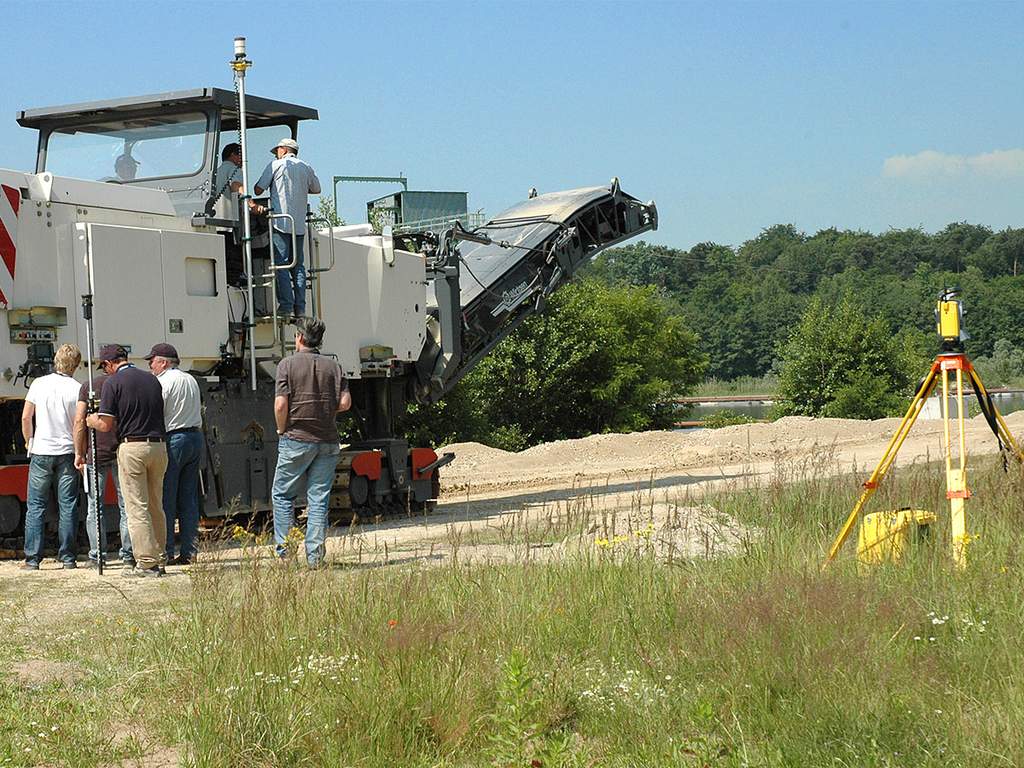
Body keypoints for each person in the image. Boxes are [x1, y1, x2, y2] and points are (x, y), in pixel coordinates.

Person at [271, 318, 351, 567]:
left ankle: (286, 555)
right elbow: (346, 403)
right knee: (318, 498)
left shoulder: (287, 365)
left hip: (296, 437)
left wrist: (281, 427)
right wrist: (326, 412)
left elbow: (281, 404)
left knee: (283, 495)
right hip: (327, 440)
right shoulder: (335, 366)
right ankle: (315, 557)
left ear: (299, 337)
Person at [87, 345, 168, 578]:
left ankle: (146, 563)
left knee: (136, 508)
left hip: (132, 447)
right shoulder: (152, 380)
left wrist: (91, 420)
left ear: (109, 364)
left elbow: (105, 424)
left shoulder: (113, 383)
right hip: (159, 446)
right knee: (156, 506)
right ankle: (160, 557)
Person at [21, 344, 83, 570]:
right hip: (67, 452)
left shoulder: (38, 384)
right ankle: (68, 558)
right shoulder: (78, 388)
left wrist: (30, 442)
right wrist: (80, 450)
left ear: (56, 360)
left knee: (36, 505)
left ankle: (32, 560)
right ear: (75, 365)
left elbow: (27, 417)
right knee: (67, 505)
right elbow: (80, 423)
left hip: (41, 452)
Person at [145, 343, 203, 565]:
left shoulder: (162, 382)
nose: (150, 365)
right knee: (189, 498)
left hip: (174, 439)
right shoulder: (190, 379)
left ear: (164, 362)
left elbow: (158, 412)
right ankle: (190, 551)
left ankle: (166, 551)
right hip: (194, 438)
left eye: (153, 361)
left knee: (166, 497)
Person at [253, 137, 321, 320]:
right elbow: (317, 188)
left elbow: (258, 189)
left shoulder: (276, 165)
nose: (277, 153)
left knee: (281, 265)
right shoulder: (306, 167)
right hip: (298, 224)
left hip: (280, 222)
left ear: (283, 150)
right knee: (298, 267)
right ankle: (300, 308)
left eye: (277, 150)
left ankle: (286, 306)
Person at [74, 364, 133, 569]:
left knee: (94, 508)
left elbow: (79, 420)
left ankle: (97, 555)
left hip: (95, 453)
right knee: (126, 506)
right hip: (119, 451)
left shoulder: (87, 386)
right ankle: (127, 555)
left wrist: (79, 452)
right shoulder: (122, 384)